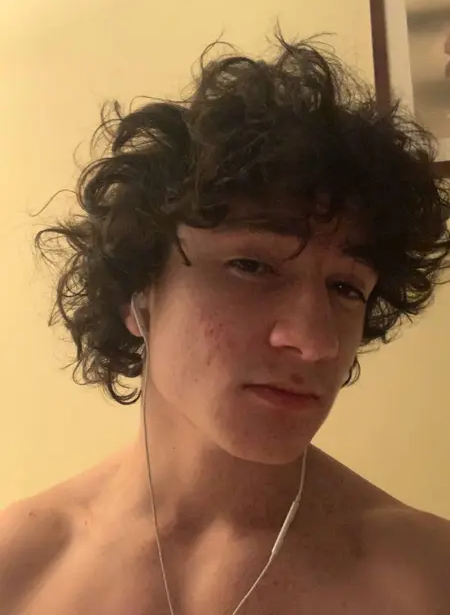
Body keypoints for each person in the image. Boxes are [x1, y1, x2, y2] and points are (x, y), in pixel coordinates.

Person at [1, 32, 450, 615]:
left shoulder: (427, 579)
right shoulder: (19, 571)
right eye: (252, 266)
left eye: (346, 288)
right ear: (137, 296)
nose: (315, 341)